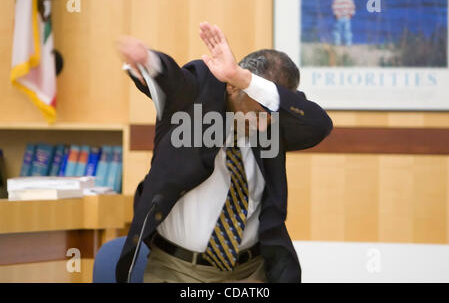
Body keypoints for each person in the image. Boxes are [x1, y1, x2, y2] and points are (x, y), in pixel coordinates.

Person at [115, 22, 333, 283]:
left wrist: (247, 81)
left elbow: (319, 125)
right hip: (177, 271)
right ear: (231, 88)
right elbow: (175, 81)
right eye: (257, 111)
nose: (263, 125)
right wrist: (148, 60)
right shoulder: (196, 96)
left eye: (270, 113)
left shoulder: (274, 119)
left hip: (249, 272)